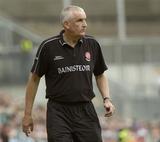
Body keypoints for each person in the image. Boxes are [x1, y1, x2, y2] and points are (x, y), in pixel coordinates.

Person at [22, 5, 115, 142]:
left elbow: (100, 74)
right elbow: (34, 79)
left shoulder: (92, 44)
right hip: (59, 112)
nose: (85, 24)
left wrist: (107, 99)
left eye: (85, 20)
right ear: (66, 24)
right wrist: (27, 114)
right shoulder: (48, 47)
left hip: (85, 110)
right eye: (79, 20)